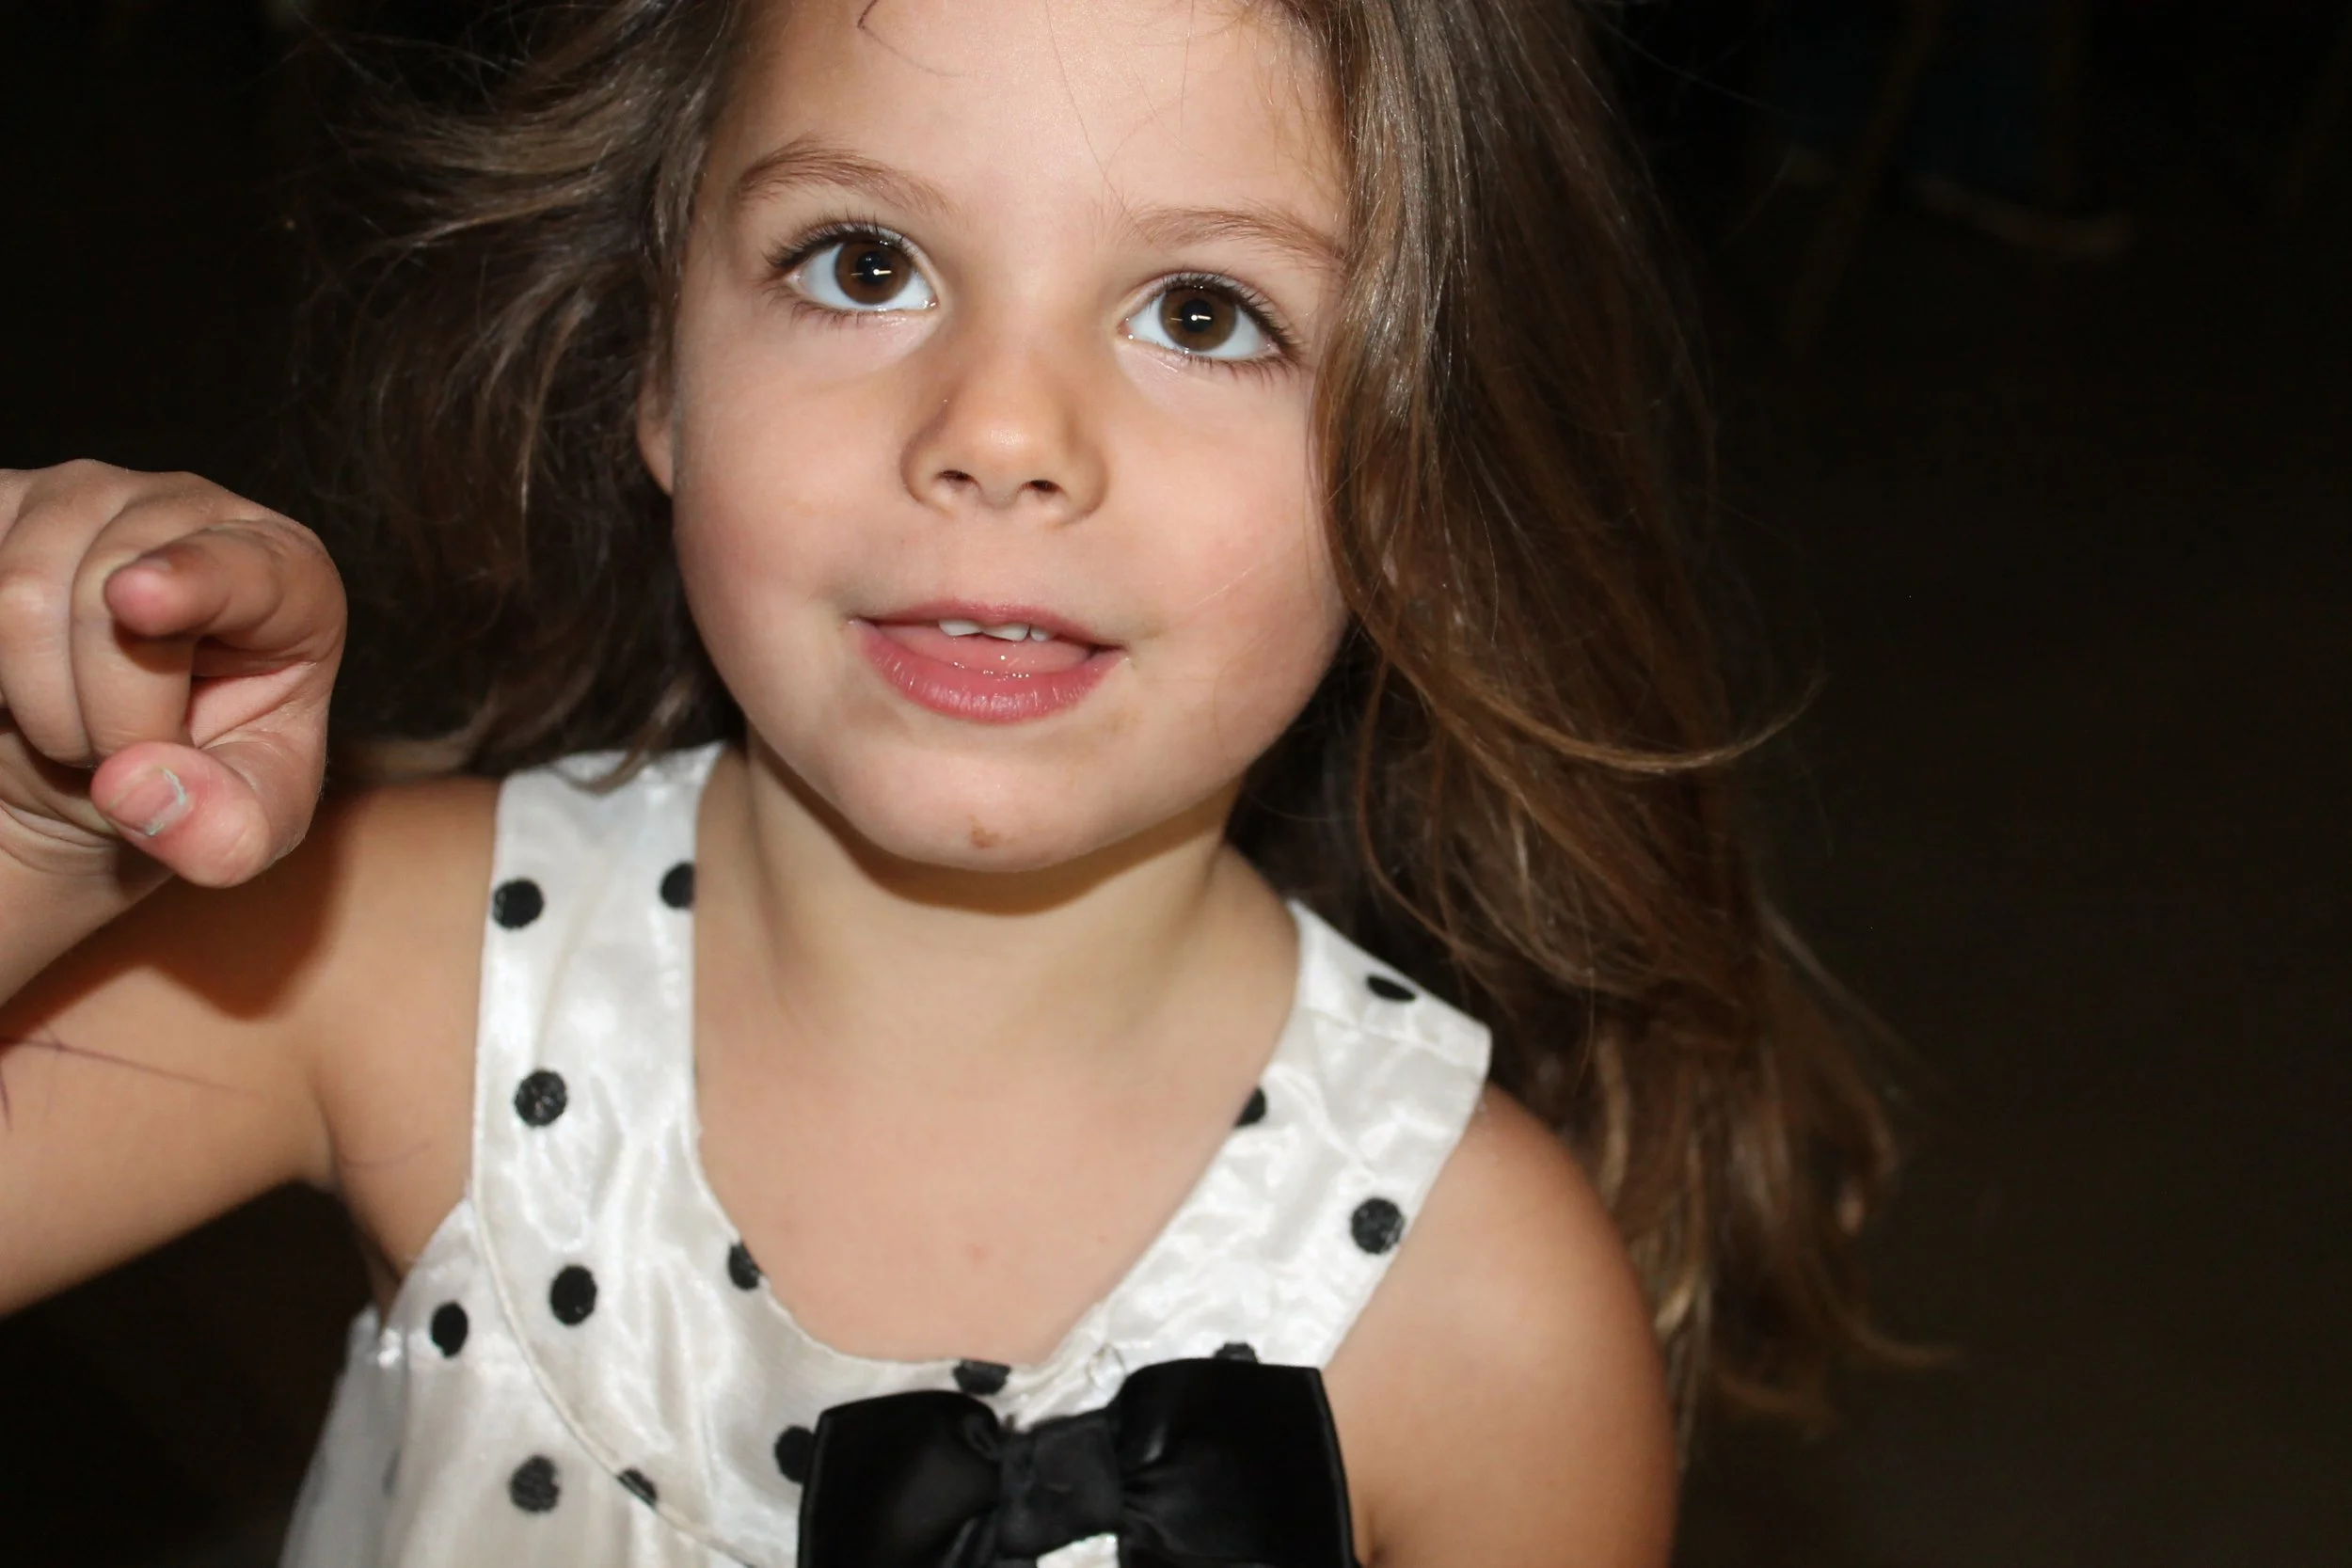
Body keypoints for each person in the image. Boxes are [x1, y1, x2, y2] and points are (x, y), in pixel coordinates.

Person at [0, 0, 1895, 1562]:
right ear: (660, 362)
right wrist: (35, 842)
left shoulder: (1479, 1310)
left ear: (1415, 474)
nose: (998, 431)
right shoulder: (397, 962)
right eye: (865, 263)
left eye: (1202, 311)